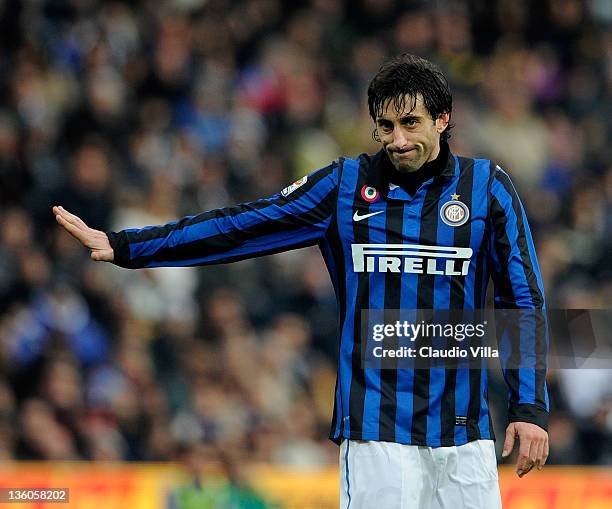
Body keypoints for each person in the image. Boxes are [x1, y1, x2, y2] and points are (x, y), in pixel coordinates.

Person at [53, 54, 549, 509]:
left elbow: (522, 299)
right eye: (386, 126)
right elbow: (243, 224)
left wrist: (528, 406)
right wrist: (128, 246)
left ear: (443, 119)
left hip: (465, 437)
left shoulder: (488, 188)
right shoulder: (345, 187)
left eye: (411, 123)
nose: (398, 140)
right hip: (377, 433)